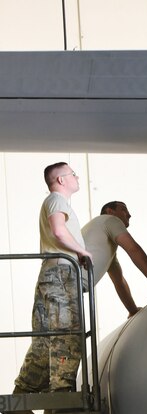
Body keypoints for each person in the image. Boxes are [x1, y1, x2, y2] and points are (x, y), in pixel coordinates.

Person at [14, 162, 92, 394]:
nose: (77, 177)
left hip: (53, 272)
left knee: (47, 337)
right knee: (68, 333)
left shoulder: (56, 202)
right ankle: (61, 394)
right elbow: (58, 230)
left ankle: (23, 393)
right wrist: (81, 251)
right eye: (73, 174)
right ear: (61, 180)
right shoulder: (57, 200)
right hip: (61, 273)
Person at [82, 201, 147, 317]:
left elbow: (119, 281)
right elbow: (133, 249)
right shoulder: (110, 220)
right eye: (123, 210)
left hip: (69, 284)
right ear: (110, 211)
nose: (129, 214)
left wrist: (133, 310)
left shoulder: (100, 237)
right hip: (66, 282)